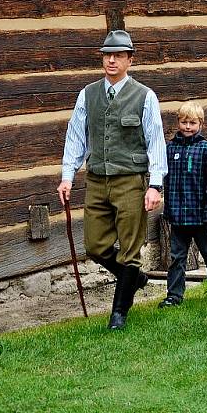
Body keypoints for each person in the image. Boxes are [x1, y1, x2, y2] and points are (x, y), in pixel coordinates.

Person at [57, 30, 167, 330]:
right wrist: (67, 177)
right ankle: (135, 278)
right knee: (95, 245)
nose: (112, 60)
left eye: (118, 55)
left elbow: (156, 141)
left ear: (130, 59)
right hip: (96, 180)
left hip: (130, 180)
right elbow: (76, 138)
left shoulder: (145, 96)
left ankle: (118, 314)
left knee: (130, 249)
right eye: (107, 55)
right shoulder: (88, 94)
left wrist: (155, 185)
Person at [159, 101, 207, 308]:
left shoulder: (205, 149)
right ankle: (174, 295)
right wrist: (167, 210)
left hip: (201, 214)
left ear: (201, 124)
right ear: (178, 122)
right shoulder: (170, 148)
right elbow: (165, 180)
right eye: (184, 122)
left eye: (192, 123)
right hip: (178, 214)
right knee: (177, 257)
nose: (187, 127)